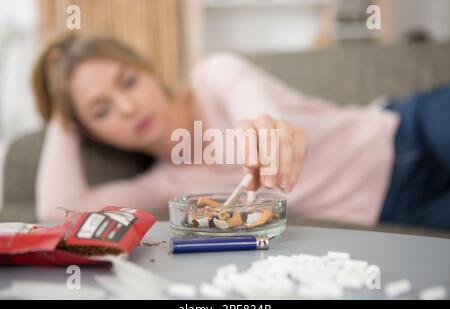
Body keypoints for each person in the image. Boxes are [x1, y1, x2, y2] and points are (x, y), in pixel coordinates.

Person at [33, 32, 450, 229]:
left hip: (403, 128)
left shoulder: (212, 75)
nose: (126, 107)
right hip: (396, 207)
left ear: (150, 72)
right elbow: (56, 213)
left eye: (128, 82)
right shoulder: (163, 183)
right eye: (100, 111)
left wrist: (266, 133)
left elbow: (254, 108)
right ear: (91, 132)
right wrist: (61, 115)